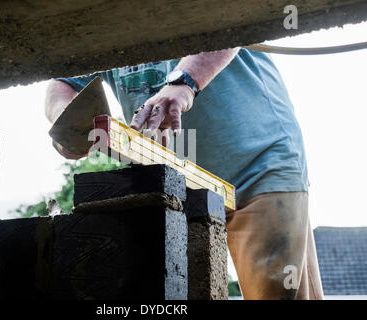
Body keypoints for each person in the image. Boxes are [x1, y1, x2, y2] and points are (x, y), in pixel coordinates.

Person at [44, 47, 324, 300]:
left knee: (276, 292)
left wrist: (185, 82)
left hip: (257, 166)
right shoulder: (104, 21)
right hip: (176, 187)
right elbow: (65, 81)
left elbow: (228, 19)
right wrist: (68, 122)